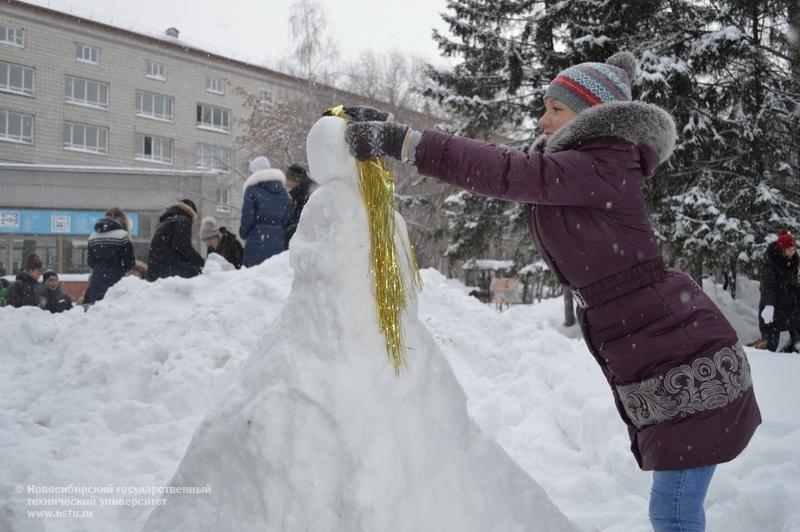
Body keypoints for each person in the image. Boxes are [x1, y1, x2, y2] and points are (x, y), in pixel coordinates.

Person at [342, 51, 761, 532]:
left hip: (680, 352)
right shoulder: (589, 165)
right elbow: (520, 174)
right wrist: (394, 129)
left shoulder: (597, 166)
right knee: (676, 502)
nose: (542, 119)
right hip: (660, 344)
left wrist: (405, 142)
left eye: (555, 108)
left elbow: (508, 173)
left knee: (674, 508)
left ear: (592, 116)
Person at [240, 156, 292, 267]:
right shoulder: (283, 192)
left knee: (254, 276)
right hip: (278, 238)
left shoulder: (252, 190)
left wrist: (243, 233)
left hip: (257, 237)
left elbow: (248, 216)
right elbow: (287, 217)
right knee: (273, 274)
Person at [758, 229, 800, 352]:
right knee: (771, 345)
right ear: (782, 250)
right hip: (773, 308)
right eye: (789, 250)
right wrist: (769, 305)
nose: (792, 252)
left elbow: (794, 285)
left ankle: (790, 360)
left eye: (793, 249)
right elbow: (768, 286)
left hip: (790, 308)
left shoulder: (793, 262)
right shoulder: (770, 264)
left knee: (797, 337)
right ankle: (771, 365)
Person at [85, 207, 136, 303]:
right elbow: (130, 262)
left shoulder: (92, 236)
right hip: (117, 279)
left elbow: (90, 262)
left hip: (97, 280)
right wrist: (121, 270)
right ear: (122, 219)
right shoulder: (123, 235)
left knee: (97, 311)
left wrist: (100, 268)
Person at [147, 199, 205, 280]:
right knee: (202, 275)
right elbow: (183, 246)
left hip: (156, 271)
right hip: (168, 269)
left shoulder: (169, 220)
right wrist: (201, 262)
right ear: (192, 213)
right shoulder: (183, 220)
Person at [284, 163, 317, 244]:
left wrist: (289, 232)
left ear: (296, 179)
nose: (287, 183)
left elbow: (306, 223)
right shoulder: (299, 194)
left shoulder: (308, 194)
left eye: (288, 179)